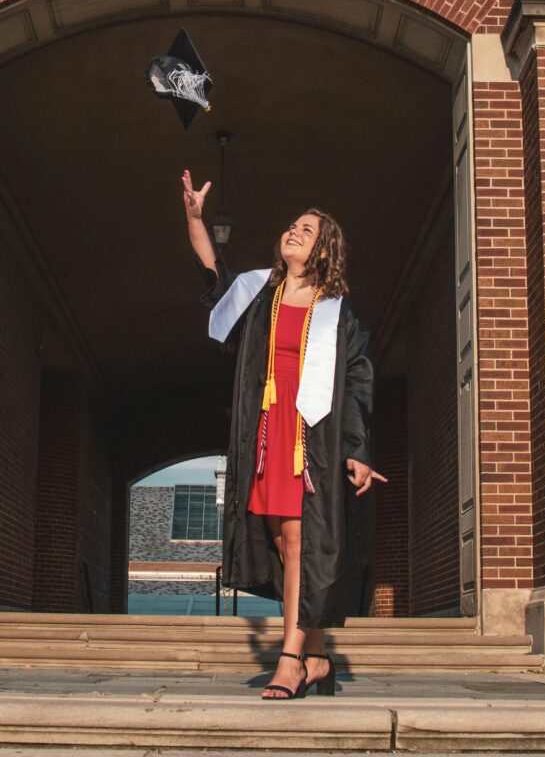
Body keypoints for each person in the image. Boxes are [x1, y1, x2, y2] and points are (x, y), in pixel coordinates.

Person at [181, 170, 386, 700]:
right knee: (281, 541)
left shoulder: (340, 315)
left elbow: (360, 381)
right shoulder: (258, 293)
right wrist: (194, 217)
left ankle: (290, 659)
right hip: (268, 434)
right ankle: (316, 656)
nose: (294, 231)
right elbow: (214, 279)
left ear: (324, 251)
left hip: (310, 438)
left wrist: (358, 449)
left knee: (301, 542)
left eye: (308, 230)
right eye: (293, 225)